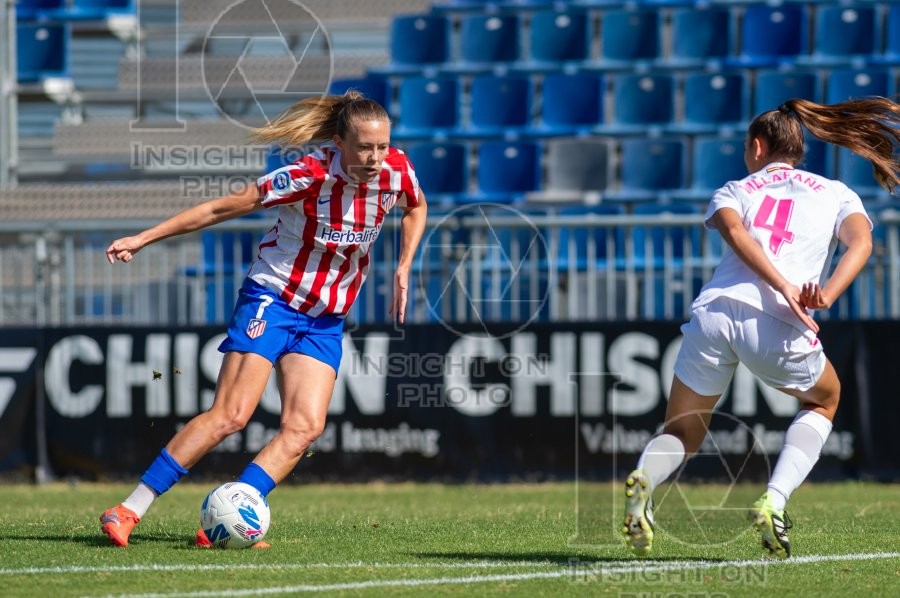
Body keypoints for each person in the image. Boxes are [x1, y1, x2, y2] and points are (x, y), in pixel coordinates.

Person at [99, 91, 428, 547]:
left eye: (382, 146)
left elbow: (417, 205)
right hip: (273, 301)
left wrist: (404, 264)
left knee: (305, 427)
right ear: (338, 142)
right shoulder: (309, 174)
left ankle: (233, 515)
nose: (375, 158)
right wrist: (144, 237)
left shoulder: (397, 169)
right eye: (364, 147)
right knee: (230, 415)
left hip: (325, 319)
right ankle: (127, 509)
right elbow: (219, 208)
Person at [622, 97, 900, 559]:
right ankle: (775, 498)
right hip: (777, 322)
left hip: (714, 312)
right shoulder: (836, 192)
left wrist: (780, 282)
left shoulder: (738, 188)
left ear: (757, 146)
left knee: (683, 429)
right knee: (826, 399)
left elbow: (734, 233)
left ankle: (645, 479)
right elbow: (863, 242)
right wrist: (821, 294)